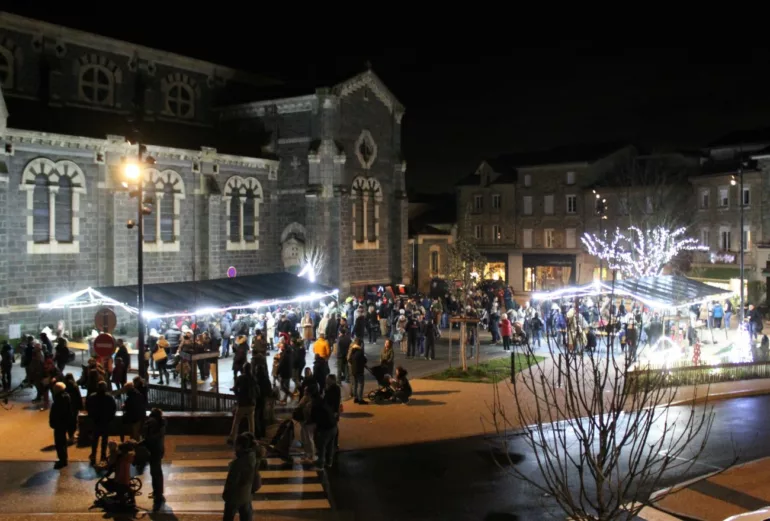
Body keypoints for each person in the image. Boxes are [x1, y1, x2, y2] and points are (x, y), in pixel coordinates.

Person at [222, 433, 258, 521]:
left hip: (234, 497)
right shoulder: (253, 458)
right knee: (246, 516)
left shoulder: (237, 464)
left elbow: (232, 482)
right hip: (246, 495)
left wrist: (226, 495)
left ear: (239, 446)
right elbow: (256, 479)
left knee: (228, 517)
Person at [141, 408, 167, 511]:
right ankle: (158, 492)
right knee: (157, 472)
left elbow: (149, 437)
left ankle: (158, 494)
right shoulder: (162, 424)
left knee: (154, 472)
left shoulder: (151, 423)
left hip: (153, 451)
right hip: (159, 450)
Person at [87, 381, 117, 465]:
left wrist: (91, 417)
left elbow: (88, 407)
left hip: (96, 421)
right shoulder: (109, 397)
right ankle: (103, 456)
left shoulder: (92, 397)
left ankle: (93, 454)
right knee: (104, 440)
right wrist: (110, 418)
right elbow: (113, 408)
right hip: (105, 421)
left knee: (94, 439)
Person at [228, 363, 257, 444]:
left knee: (237, 421)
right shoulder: (253, 378)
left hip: (242, 403)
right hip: (251, 403)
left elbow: (235, 388)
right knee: (251, 421)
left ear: (244, 369)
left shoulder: (240, 378)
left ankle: (232, 437)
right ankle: (252, 438)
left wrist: (237, 395)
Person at [50, 381, 73, 469]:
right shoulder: (67, 397)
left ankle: (62, 460)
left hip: (59, 424)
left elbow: (55, 413)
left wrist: (52, 423)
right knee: (63, 442)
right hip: (64, 423)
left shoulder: (58, 400)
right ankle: (64, 459)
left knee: (59, 442)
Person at [347, 339, 367, 404]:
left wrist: (353, 364)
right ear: (360, 344)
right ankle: (360, 399)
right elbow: (365, 360)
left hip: (353, 370)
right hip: (360, 370)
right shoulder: (360, 352)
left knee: (355, 384)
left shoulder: (352, 350)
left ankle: (355, 398)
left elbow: (349, 359)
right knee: (361, 384)